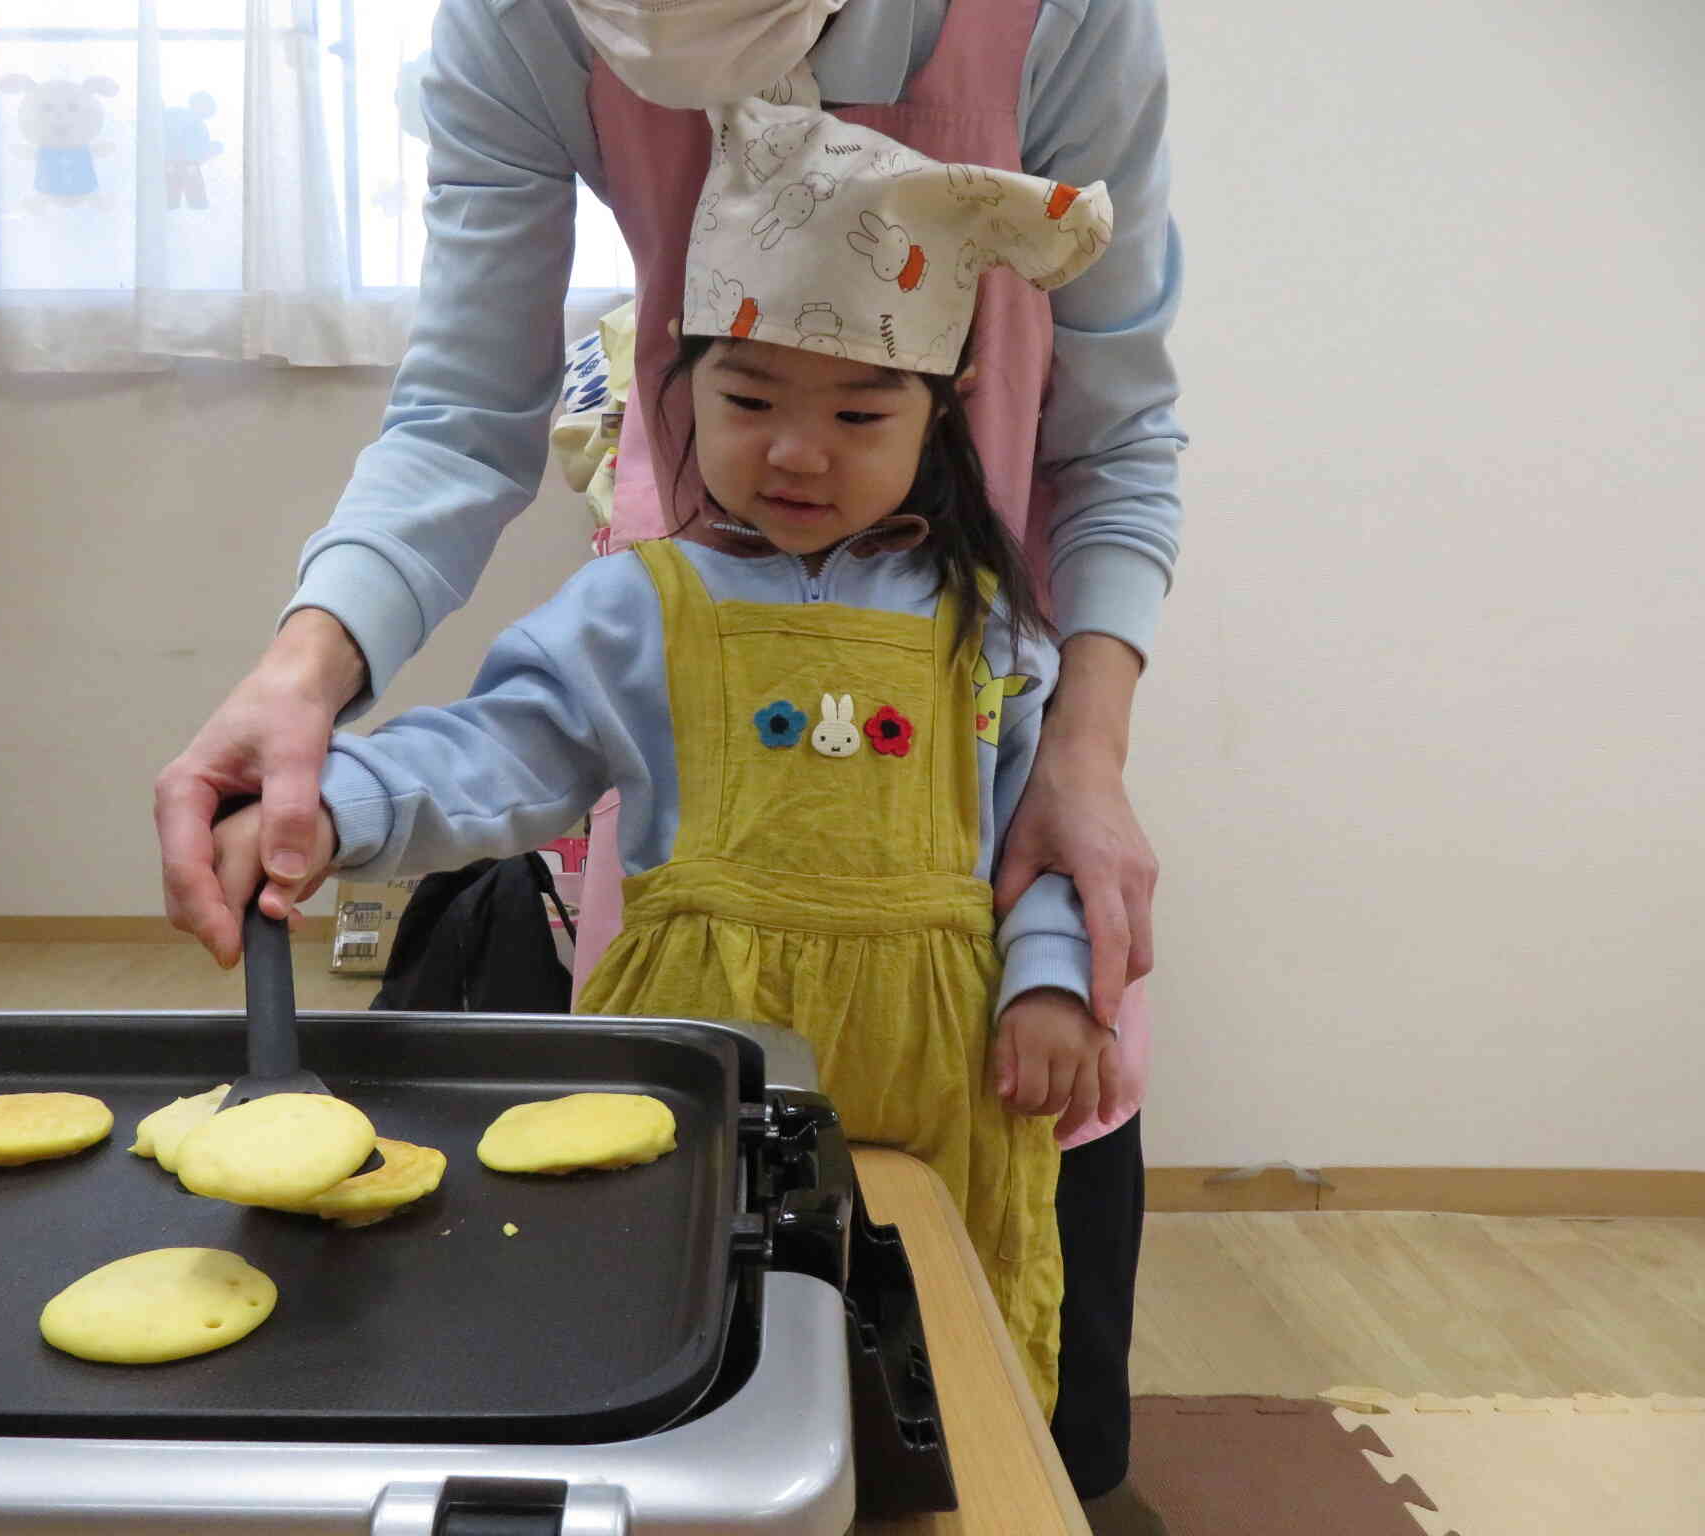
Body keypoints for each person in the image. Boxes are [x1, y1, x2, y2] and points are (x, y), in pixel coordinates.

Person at [157, 2, 1181, 1525]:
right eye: (751, 401)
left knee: (962, 1435)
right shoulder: (645, 611)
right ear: (684, 387)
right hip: (707, 1066)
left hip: (957, 1089)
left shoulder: (996, 638)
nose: (797, 453)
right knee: (695, 1401)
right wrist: (335, 782)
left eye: (856, 412)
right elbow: (503, 749)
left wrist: (1046, 978)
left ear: (940, 415)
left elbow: (1020, 831)